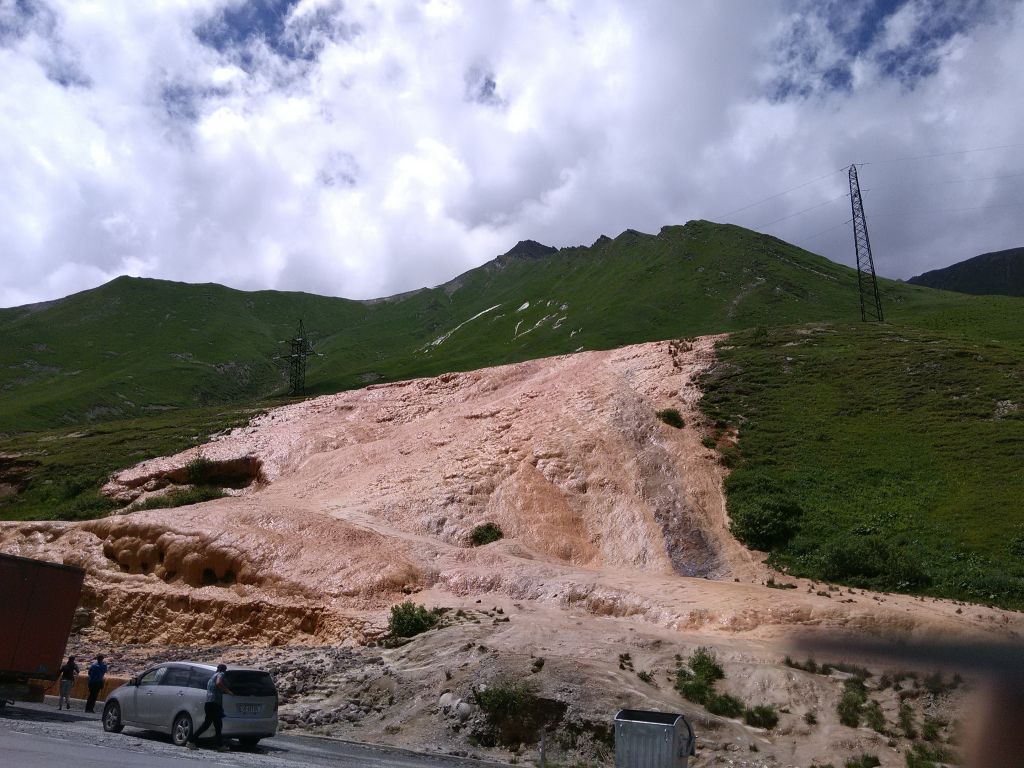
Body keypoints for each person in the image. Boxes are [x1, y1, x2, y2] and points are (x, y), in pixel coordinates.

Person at [187, 663, 234, 752]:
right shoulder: (221, 674)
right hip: (214, 703)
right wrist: (228, 691)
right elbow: (219, 683)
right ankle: (191, 741)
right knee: (214, 725)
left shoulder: (212, 677)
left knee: (214, 724)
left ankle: (219, 745)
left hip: (209, 703)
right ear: (224, 670)